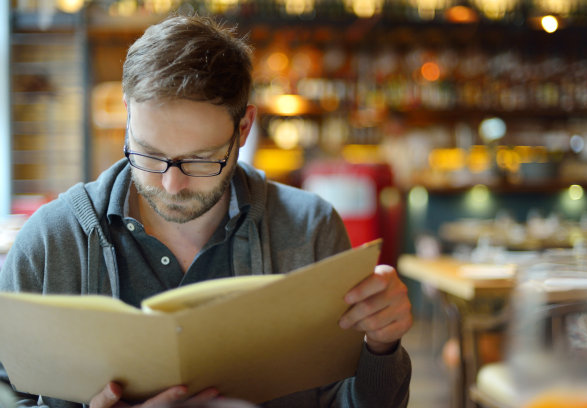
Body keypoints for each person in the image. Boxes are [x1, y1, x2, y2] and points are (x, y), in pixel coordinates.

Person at [0, 14, 413, 408]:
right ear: (128, 116)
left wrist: (381, 347)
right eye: (148, 154)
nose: (171, 185)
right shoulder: (50, 241)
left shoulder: (310, 229)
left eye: (200, 160)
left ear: (244, 128)